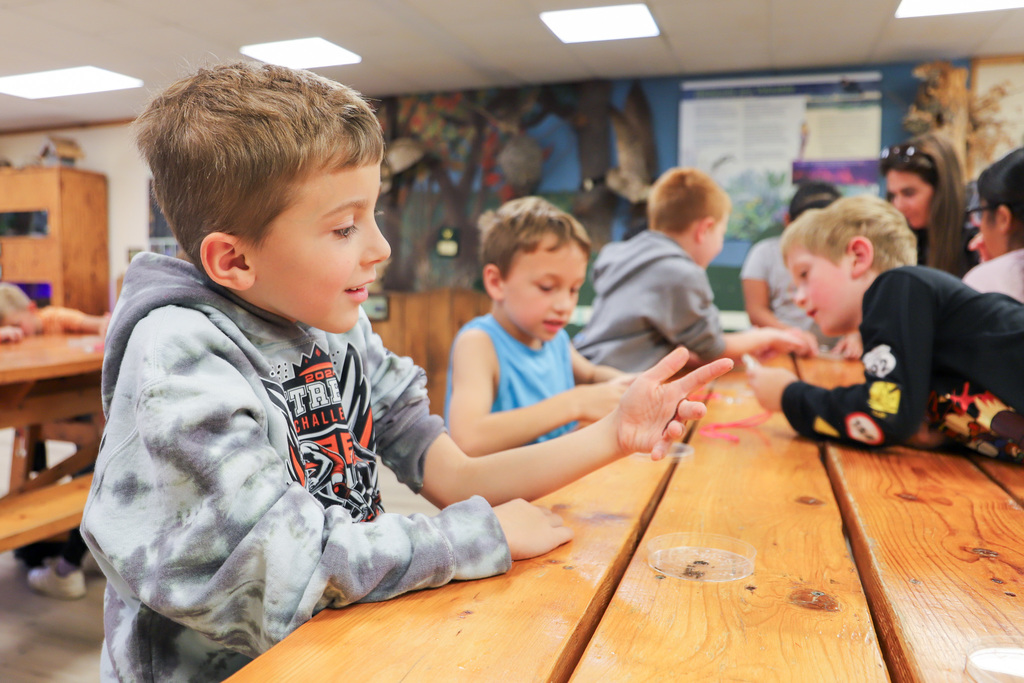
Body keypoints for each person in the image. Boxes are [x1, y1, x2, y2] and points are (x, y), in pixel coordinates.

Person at [79, 61, 733, 681]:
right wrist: (477, 535)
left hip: (331, 646)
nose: (381, 248)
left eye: (374, 214)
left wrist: (614, 433)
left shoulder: (338, 328)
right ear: (235, 260)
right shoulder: (179, 353)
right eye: (343, 228)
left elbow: (457, 473)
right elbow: (281, 569)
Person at [747, 194, 1024, 461]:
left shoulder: (897, 284)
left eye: (805, 274)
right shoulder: (907, 322)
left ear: (858, 256)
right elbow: (902, 419)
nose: (798, 297)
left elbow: (885, 413)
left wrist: (788, 395)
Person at [573, 167, 813, 373]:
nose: (719, 243)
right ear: (704, 230)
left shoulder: (622, 254)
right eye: (721, 233)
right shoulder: (681, 272)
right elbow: (712, 347)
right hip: (616, 383)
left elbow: (659, 339)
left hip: (586, 365)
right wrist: (769, 336)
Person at [445, 196, 632, 456]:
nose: (565, 305)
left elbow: (590, 375)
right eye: (547, 287)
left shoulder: (555, 339)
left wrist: (633, 386)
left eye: (574, 289)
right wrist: (575, 403)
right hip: (503, 495)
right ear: (497, 282)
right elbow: (468, 438)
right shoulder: (479, 343)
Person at [0, 282, 107, 599]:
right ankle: (49, 550)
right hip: (40, 407)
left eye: (18, 325)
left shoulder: (54, 318)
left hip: (76, 407)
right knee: (41, 451)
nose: (20, 333)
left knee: (90, 463)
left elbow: (102, 322)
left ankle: (69, 560)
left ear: (32, 311)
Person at [741, 181, 860, 359]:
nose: (801, 299)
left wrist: (854, 333)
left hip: (831, 354)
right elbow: (756, 311)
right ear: (788, 221)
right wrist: (793, 336)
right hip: (779, 351)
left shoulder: (848, 255)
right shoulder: (764, 253)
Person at [879, 132, 974, 277]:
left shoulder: (976, 242)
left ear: (941, 190)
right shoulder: (908, 239)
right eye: (893, 196)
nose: (898, 206)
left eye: (909, 193)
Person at [962, 147, 1024, 302]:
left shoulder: (983, 283)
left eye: (981, 213)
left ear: (1003, 218)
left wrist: (992, 269)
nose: (980, 227)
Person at [0, 283, 111, 339]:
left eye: (17, 325)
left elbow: (98, 324)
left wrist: (104, 325)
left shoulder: (54, 317)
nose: (15, 333)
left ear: (31, 308)